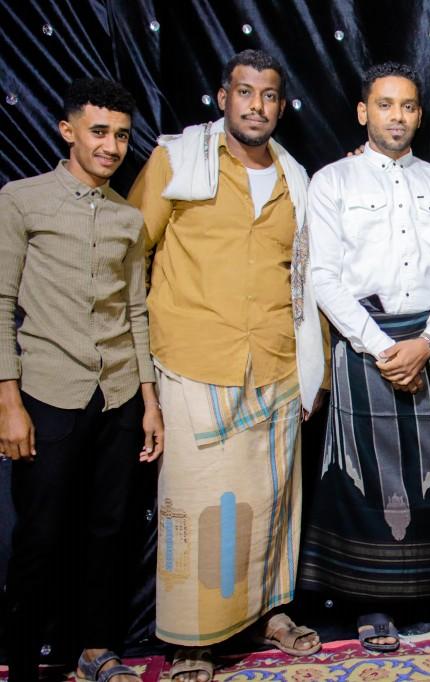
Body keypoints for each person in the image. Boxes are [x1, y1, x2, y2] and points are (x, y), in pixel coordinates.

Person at [128, 50, 325, 680]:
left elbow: (307, 277)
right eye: (245, 92)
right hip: (193, 359)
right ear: (222, 97)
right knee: (198, 504)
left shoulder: (296, 178)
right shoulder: (178, 160)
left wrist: (313, 369)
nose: (256, 106)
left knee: (271, 500)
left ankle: (268, 614)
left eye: (268, 96)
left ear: (281, 106)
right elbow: (130, 252)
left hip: (275, 362)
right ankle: (191, 640)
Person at [299, 62, 430, 651]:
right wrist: (383, 347)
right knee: (369, 478)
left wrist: (428, 342)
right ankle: (372, 600)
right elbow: (324, 276)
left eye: (408, 106)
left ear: (419, 115)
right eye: (385, 105)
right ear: (364, 112)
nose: (397, 116)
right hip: (366, 341)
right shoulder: (332, 182)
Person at [0, 78, 162, 682]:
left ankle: (96, 650)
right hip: (47, 392)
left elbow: (136, 311)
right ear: (67, 131)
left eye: (121, 135)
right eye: (98, 132)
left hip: (119, 396)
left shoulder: (128, 218)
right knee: (41, 535)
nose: (111, 146)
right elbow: (1, 302)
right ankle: (21, 663)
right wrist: (8, 402)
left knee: (109, 530)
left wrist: (149, 401)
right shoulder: (21, 200)